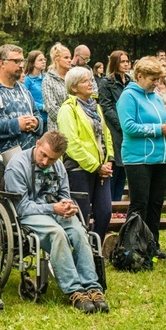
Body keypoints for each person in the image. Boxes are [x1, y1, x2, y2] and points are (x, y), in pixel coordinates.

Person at [4, 131, 108, 313]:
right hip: (30, 214)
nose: (45, 162)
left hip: (55, 211)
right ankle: (74, 290)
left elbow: (64, 195)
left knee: (79, 231)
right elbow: (22, 208)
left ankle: (93, 287)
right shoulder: (17, 166)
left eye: (51, 159)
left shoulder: (58, 166)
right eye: (43, 155)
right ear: (37, 144)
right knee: (57, 233)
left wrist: (69, 206)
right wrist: (52, 208)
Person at [117, 56, 166, 257]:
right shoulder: (128, 96)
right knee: (139, 204)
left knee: (155, 203)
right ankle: (131, 246)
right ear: (140, 76)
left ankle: (152, 244)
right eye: (153, 79)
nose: (156, 83)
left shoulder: (156, 97)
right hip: (138, 158)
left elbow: (163, 120)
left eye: (158, 79)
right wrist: (158, 129)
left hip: (160, 157)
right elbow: (129, 126)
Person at [0, 44, 42, 200]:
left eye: (22, 61)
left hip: (26, 165)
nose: (21, 65)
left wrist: (36, 123)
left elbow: (37, 114)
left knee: (24, 215)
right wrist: (16, 125)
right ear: (2, 63)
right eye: (16, 61)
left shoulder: (23, 89)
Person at [57, 67, 113, 241]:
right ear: (74, 87)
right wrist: (96, 166)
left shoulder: (96, 107)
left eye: (90, 80)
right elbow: (71, 144)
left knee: (105, 212)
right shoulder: (67, 110)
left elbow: (106, 135)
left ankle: (96, 247)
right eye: (84, 81)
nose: (90, 84)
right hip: (79, 169)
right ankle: (82, 252)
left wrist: (109, 159)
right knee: (81, 216)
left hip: (101, 169)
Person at [99, 50, 131, 202]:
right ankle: (110, 203)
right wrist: (121, 124)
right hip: (114, 128)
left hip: (129, 127)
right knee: (115, 165)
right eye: (122, 61)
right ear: (115, 63)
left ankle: (118, 203)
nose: (125, 64)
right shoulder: (107, 82)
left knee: (124, 166)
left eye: (127, 61)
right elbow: (106, 107)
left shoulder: (130, 82)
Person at [43, 43, 72, 131]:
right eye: (66, 58)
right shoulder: (48, 80)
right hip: (58, 128)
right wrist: (70, 119)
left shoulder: (73, 76)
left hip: (77, 126)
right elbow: (51, 108)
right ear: (56, 59)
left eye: (70, 57)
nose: (70, 60)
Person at [24, 50, 48, 132]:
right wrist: (42, 107)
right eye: (40, 60)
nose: (43, 62)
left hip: (49, 119)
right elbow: (25, 100)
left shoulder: (47, 78)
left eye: (44, 59)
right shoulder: (27, 80)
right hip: (36, 121)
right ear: (33, 63)